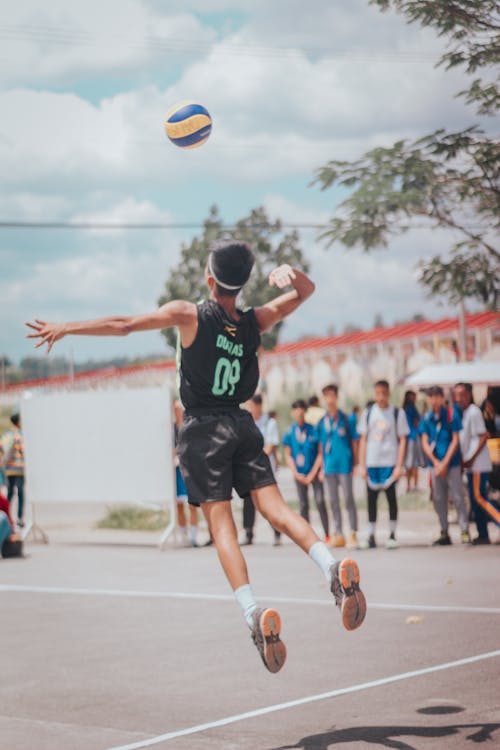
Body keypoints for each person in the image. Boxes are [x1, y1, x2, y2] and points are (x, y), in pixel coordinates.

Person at [26, 241, 366, 673]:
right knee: (276, 510)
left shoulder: (190, 314)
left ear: (210, 279)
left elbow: (126, 324)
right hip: (241, 424)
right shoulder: (254, 320)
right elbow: (305, 292)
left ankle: (253, 613)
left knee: (221, 527)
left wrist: (68, 327)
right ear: (240, 286)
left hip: (202, 430)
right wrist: (290, 273)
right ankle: (331, 567)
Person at [358, 380, 409, 549]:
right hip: (372, 463)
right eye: (377, 393)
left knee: (391, 499)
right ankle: (371, 535)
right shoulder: (368, 413)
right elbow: (363, 440)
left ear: (388, 393)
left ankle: (392, 534)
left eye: (383, 393)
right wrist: (362, 465)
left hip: (389, 462)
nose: (380, 397)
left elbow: (403, 439)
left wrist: (399, 465)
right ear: (374, 394)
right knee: (371, 500)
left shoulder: (396, 413)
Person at [419, 385, 470, 546]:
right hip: (435, 465)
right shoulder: (426, 418)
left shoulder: (450, 415)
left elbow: (455, 440)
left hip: (452, 464)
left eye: (436, 396)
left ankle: (464, 530)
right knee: (438, 499)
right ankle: (444, 531)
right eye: (430, 397)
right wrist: (436, 463)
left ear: (442, 398)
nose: (433, 400)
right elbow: (425, 443)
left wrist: (445, 462)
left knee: (457, 497)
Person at [312, 384, 358, 548]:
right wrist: (322, 467)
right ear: (323, 399)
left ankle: (353, 532)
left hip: (344, 465)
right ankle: (338, 533)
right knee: (333, 501)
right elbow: (320, 448)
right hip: (329, 467)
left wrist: (355, 463)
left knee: (348, 499)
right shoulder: (321, 422)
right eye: (326, 396)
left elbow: (354, 442)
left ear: (337, 397)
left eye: (332, 396)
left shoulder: (346, 419)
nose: (330, 400)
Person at [453, 382, 498, 545]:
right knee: (474, 500)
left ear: (469, 395)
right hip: (471, 466)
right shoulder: (462, 414)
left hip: (478, 464)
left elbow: (483, 436)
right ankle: (483, 534)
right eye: (456, 395)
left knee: (479, 498)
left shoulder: (473, 412)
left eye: (462, 395)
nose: (459, 398)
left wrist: (471, 459)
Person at [282, 399, 330, 542]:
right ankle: (306, 537)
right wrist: (296, 473)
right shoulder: (290, 432)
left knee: (320, 501)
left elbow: (321, 453)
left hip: (313, 473)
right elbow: (288, 455)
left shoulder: (313, 430)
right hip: (299, 474)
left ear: (305, 412)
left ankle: (327, 534)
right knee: (303, 505)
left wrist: (313, 473)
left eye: (302, 411)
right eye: (296, 411)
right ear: (292, 413)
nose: (299, 414)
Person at [243, 394, 282, 546]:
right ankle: (248, 533)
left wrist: (255, 457)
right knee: (248, 502)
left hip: (264, 468)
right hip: (248, 467)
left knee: (269, 503)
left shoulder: (269, 423)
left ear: (259, 405)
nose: (249, 408)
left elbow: (270, 446)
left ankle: (277, 531)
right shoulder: (247, 422)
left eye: (251, 405)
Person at [173, 400, 198, 547]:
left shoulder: (191, 426)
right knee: (179, 505)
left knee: (192, 505)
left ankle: (193, 537)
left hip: (189, 468)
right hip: (176, 469)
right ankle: (184, 536)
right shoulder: (170, 429)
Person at [2, 414, 25, 528]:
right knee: (20, 493)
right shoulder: (20, 435)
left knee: (10, 493)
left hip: (8, 469)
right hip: (19, 468)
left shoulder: (6, 435)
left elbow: (1, 449)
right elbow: (23, 451)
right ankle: (20, 518)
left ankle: (6, 515)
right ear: (18, 422)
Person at [402, 390, 421, 492]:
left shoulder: (404, 409)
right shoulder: (411, 408)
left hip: (406, 438)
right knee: (414, 463)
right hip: (412, 437)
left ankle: (409, 485)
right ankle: (414, 485)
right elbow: (417, 421)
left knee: (408, 463)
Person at [0, 491, 21, 558]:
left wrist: (13, 532)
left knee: (2, 517)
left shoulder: (2, 500)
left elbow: (8, 518)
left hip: (5, 528)